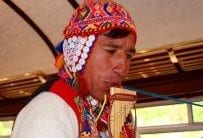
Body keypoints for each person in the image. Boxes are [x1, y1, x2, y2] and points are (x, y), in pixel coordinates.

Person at [11, 0, 139, 137]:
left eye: (128, 55)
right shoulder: (49, 109)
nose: (123, 68)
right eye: (110, 51)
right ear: (79, 53)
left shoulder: (120, 113)